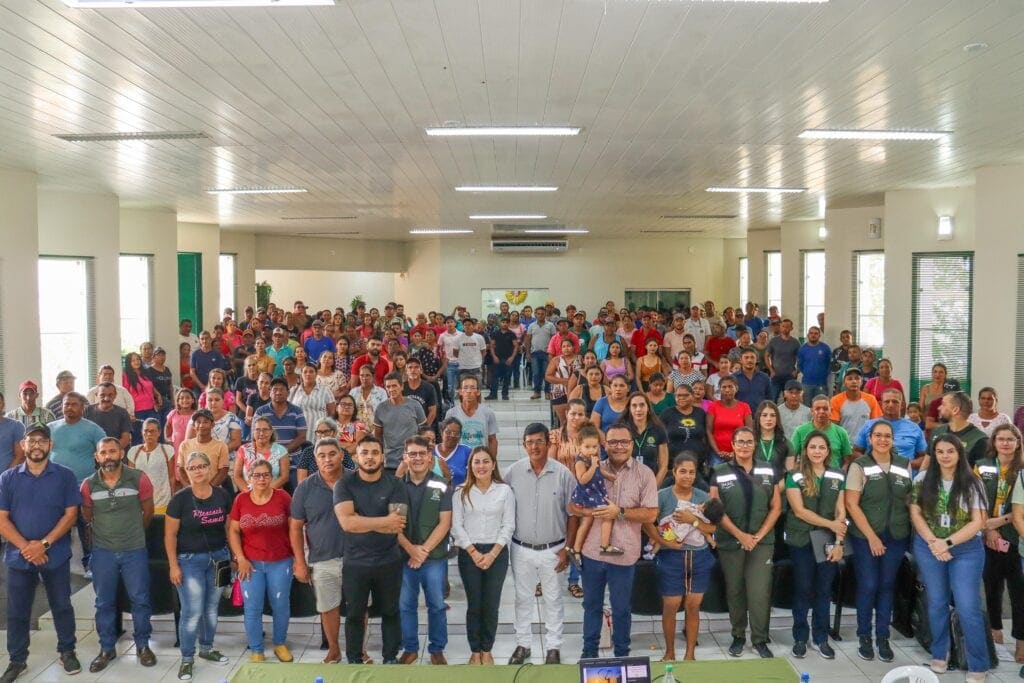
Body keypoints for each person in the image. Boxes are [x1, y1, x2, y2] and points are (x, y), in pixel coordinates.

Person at [0, 423, 83, 682]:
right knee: (17, 611)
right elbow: (2, 519)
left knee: (62, 605)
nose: (37, 445)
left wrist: (43, 545)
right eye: (32, 441)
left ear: (50, 445)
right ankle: (17, 660)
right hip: (19, 556)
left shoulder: (65, 476)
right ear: (23, 445)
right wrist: (28, 548)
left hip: (55, 554)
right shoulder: (7, 478)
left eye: (42, 441)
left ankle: (67, 651)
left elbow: (71, 515)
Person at [574, 423, 658, 659]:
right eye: (612, 442)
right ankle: (589, 654)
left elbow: (651, 514)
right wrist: (587, 511)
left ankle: (622, 654)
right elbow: (572, 505)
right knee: (591, 606)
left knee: (621, 609)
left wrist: (619, 512)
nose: (618, 446)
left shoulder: (645, 474)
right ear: (605, 445)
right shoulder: (592, 467)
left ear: (631, 444)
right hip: (592, 553)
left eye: (623, 442)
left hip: (624, 554)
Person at [909, 434, 988, 681]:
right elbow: (916, 513)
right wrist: (934, 542)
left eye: (950, 451)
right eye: (940, 451)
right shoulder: (922, 479)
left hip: (966, 549)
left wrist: (947, 543)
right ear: (934, 454)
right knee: (936, 602)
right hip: (929, 547)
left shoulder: (973, 482)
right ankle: (939, 653)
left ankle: (978, 663)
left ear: (959, 454)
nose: (945, 456)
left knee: (968, 606)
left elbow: (978, 522)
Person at [80, 437, 156, 672]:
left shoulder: (139, 478)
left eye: (113, 451)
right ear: (97, 457)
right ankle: (107, 648)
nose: (108, 456)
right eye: (103, 452)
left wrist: (132, 533)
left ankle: (143, 646)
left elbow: (148, 512)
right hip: (103, 552)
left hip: (134, 550)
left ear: (121, 453)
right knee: (104, 603)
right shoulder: (88, 485)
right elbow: (87, 516)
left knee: (140, 599)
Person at [505, 423, 575, 665]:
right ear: (523, 444)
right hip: (521, 548)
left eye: (539, 441)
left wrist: (568, 549)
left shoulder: (563, 474)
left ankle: (553, 647)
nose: (534, 446)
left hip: (554, 549)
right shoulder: (512, 473)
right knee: (522, 598)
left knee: (553, 599)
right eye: (530, 442)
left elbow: (573, 514)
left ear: (548, 442)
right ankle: (523, 644)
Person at [333, 437, 408, 665]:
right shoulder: (344, 485)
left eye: (375, 452)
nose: (370, 457)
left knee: (391, 612)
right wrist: (383, 521)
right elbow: (347, 523)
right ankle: (354, 660)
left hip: (389, 560)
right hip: (356, 562)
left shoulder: (395, 485)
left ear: (382, 457)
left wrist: (362, 520)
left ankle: (390, 659)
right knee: (355, 614)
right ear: (356, 457)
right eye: (364, 452)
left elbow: (396, 525)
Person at [709, 426, 781, 658]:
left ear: (755, 444)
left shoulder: (768, 469)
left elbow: (776, 507)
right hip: (731, 542)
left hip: (762, 542)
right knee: (735, 590)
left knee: (759, 592)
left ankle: (760, 639)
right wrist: (740, 535)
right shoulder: (719, 471)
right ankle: (738, 636)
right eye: (740, 442)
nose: (744, 446)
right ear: (732, 445)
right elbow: (715, 509)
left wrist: (758, 536)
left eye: (749, 442)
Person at [844, 419, 912, 662]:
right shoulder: (859, 465)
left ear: (893, 440)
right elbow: (851, 503)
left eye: (887, 436)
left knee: (887, 585)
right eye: (878, 435)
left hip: (896, 535)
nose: (883, 440)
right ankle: (864, 635)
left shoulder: (904, 464)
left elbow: (909, 499)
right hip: (865, 536)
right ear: (870, 439)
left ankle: (883, 637)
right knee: (869, 584)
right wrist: (872, 537)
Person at [643, 453, 719, 661]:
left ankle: (690, 654)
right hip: (671, 558)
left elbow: (712, 528)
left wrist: (692, 520)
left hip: (699, 558)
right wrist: (664, 542)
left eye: (692, 472)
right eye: (683, 471)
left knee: (693, 606)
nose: (687, 476)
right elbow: (647, 523)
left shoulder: (703, 497)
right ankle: (669, 652)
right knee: (671, 606)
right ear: (674, 472)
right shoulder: (662, 496)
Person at [165, 450, 233, 680]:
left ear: (209, 468)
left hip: (219, 558)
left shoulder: (222, 495)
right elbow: (170, 535)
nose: (198, 471)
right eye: (192, 468)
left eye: (201, 466)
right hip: (189, 561)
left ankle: (206, 648)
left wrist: (233, 557)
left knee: (211, 609)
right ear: (187, 472)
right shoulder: (179, 499)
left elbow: (228, 528)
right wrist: (173, 565)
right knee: (192, 612)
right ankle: (187, 659)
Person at [784, 431, 847, 660]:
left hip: (828, 541)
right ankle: (800, 637)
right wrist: (830, 524)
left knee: (824, 590)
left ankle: (821, 638)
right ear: (805, 450)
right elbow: (800, 511)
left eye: (822, 447)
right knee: (803, 589)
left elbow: (841, 510)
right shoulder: (794, 475)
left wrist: (839, 542)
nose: (817, 451)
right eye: (813, 447)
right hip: (801, 540)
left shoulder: (838, 474)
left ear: (828, 451)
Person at [229, 458, 294, 663]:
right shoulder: (241, 500)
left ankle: (280, 644)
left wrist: (299, 557)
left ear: (272, 476)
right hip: (250, 563)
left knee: (280, 605)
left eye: (266, 475)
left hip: (281, 561)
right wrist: (240, 558)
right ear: (249, 477)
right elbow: (233, 531)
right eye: (257, 475)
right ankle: (257, 649)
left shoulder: (283, 497)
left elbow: (294, 528)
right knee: (252, 607)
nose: (262, 479)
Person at [395, 436, 453, 665]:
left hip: (434, 558)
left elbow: (445, 523)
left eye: (422, 453)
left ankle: (437, 649)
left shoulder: (442, 484)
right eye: (412, 454)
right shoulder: (396, 486)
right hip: (404, 557)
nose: (417, 458)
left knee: (437, 605)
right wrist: (411, 550)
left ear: (430, 457)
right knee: (406, 605)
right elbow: (393, 524)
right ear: (405, 457)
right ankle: (410, 648)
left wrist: (423, 551)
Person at [290, 438, 348, 664]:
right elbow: (295, 527)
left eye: (332, 454)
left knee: (359, 607)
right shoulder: (305, 488)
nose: (327, 459)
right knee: (327, 607)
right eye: (322, 456)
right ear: (315, 459)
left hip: (357, 558)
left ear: (341, 455)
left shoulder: (356, 481)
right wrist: (299, 562)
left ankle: (359, 650)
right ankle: (334, 649)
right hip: (322, 558)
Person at [976, 424, 1024, 659]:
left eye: (1010, 439)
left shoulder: (1022, 469)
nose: (1005, 443)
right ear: (993, 442)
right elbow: (974, 499)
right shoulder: (982, 465)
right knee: (992, 586)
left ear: (1018, 443)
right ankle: (995, 631)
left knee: (1019, 592)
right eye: (1001, 439)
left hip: (1015, 536)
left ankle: (1021, 641)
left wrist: (999, 522)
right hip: (987, 536)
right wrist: (989, 529)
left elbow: (1020, 509)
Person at [48, 392, 107, 575]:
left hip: (83, 486)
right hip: (56, 487)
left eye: (74, 404)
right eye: (66, 404)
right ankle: (58, 564)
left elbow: (106, 453)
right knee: (58, 526)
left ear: (82, 407)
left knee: (85, 525)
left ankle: (90, 564)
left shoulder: (93, 429)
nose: (69, 407)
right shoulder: (50, 428)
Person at [569, 424, 623, 562]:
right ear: (579, 446)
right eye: (587, 447)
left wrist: (609, 476)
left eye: (594, 447)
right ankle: (604, 546)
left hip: (596, 490)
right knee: (606, 516)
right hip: (588, 494)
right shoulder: (580, 461)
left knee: (589, 521)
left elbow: (600, 470)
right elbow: (582, 479)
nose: (591, 450)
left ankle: (577, 549)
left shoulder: (593, 458)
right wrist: (592, 466)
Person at [853, 388, 929, 471]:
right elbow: (855, 451)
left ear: (902, 405)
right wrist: (870, 463)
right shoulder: (868, 425)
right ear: (881, 404)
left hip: (905, 475)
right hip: (873, 475)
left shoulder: (914, 428)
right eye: (887, 401)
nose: (890, 405)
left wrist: (906, 464)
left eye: (895, 402)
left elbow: (925, 457)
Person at [126, 418, 177, 513]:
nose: (149, 434)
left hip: (163, 501)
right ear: (142, 432)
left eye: (153, 431)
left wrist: (173, 497)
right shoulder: (133, 452)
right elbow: (132, 479)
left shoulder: (167, 450)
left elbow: (172, 477)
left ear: (159, 433)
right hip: (141, 503)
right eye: (146, 431)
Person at [618, 392, 669, 486]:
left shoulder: (658, 429)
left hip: (651, 481)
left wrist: (653, 487)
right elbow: (616, 461)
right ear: (629, 409)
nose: (638, 409)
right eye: (634, 406)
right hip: (626, 483)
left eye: (642, 405)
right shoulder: (621, 430)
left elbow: (664, 466)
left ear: (648, 408)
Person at [790, 395, 854, 470]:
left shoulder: (841, 432)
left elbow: (847, 461)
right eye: (817, 409)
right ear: (812, 411)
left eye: (825, 409)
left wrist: (841, 474)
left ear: (831, 411)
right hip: (807, 475)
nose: (821, 411)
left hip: (833, 475)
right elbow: (791, 458)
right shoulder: (800, 431)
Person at [444, 374, 498, 455]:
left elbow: (492, 440)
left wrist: (492, 460)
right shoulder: (451, 413)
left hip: (480, 459)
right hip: (460, 459)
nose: (469, 391)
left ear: (478, 392)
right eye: (465, 387)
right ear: (460, 391)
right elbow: (447, 440)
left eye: (472, 387)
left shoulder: (488, 413)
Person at [705, 376, 753, 467]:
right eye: (724, 387)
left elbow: (749, 432)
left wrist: (735, 452)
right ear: (720, 389)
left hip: (739, 453)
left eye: (730, 387)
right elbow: (709, 431)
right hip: (717, 455)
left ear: (736, 388)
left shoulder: (744, 407)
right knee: (717, 476)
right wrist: (718, 452)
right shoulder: (713, 406)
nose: (727, 390)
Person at [175, 409, 230, 488]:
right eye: (198, 422)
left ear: (212, 425)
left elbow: (223, 471)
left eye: (205, 422)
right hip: (190, 490)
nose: (201, 425)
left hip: (213, 490)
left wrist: (208, 489)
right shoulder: (185, 445)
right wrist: (191, 488)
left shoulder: (221, 446)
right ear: (193, 425)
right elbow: (180, 469)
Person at [932, 391, 989, 466]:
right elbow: (927, 462)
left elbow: (981, 470)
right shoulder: (938, 431)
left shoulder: (979, 440)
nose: (939, 408)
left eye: (943, 404)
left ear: (955, 410)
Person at [254, 377, 308, 456]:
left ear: (288, 393)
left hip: (293, 458)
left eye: (281, 389)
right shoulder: (260, 412)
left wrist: (282, 452)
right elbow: (255, 436)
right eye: (275, 389)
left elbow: (302, 437)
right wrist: (271, 455)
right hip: (267, 458)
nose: (278, 392)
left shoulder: (297, 411)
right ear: (270, 392)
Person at [234, 415, 291, 490]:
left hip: (273, 491)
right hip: (248, 492)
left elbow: (284, 477)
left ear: (271, 432)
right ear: (253, 432)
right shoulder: (243, 450)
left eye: (265, 430)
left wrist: (265, 492)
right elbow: (237, 476)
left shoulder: (281, 450)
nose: (261, 433)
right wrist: (249, 493)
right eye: (257, 430)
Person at [829, 368, 882, 438]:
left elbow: (877, 424)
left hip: (866, 443)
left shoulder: (871, 400)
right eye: (850, 379)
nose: (854, 381)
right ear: (844, 382)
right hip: (844, 443)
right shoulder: (835, 400)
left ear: (861, 382)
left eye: (857, 378)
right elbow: (833, 428)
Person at [290, 363, 336, 443]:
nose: (308, 374)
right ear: (301, 374)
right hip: (297, 433)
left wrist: (325, 430)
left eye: (311, 371)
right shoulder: (293, 391)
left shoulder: (325, 390)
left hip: (319, 433)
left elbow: (331, 413)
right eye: (305, 372)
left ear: (316, 374)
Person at [123, 352, 161, 444]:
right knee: (138, 438)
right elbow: (125, 395)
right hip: (137, 411)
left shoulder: (145, 372)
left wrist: (157, 395)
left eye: (138, 359)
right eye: (133, 360)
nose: (136, 362)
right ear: (128, 363)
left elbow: (150, 387)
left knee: (154, 435)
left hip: (151, 409)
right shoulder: (125, 375)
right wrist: (128, 413)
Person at [84, 382, 132, 450]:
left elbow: (125, 439)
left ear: (115, 395)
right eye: (102, 395)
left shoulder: (123, 413)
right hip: (91, 451)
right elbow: (82, 435)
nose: (106, 398)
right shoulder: (87, 411)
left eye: (110, 395)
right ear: (96, 395)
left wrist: (109, 451)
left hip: (115, 451)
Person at [546, 339, 582, 427]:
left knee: (576, 420)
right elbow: (548, 376)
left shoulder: (580, 359)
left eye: (568, 346)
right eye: (564, 346)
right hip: (559, 393)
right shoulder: (556, 360)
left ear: (573, 347)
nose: (566, 348)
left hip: (577, 392)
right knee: (564, 421)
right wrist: (565, 381)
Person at [753, 400, 792, 479]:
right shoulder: (750, 441)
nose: (769, 419)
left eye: (773, 415)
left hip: (779, 484)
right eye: (764, 415)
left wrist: (779, 485)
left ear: (777, 418)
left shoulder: (786, 443)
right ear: (758, 417)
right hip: (754, 484)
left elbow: (789, 474)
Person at [765, 318, 801, 400]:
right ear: (780, 327)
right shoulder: (774, 341)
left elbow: (801, 358)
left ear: (791, 328)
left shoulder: (795, 342)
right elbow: (766, 355)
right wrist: (771, 370)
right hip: (776, 376)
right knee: (772, 399)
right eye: (783, 326)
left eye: (787, 326)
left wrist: (797, 371)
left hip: (790, 376)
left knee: (790, 400)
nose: (785, 328)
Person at [796, 327, 832, 405]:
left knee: (821, 405)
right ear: (808, 335)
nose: (813, 335)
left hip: (821, 383)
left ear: (819, 336)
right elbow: (800, 365)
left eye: (816, 333)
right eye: (811, 333)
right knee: (806, 406)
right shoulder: (802, 349)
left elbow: (829, 364)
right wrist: (808, 373)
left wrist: (822, 374)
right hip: (806, 383)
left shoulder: (825, 348)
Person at [525, 308, 556, 400]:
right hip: (534, 353)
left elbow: (554, 340)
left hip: (547, 353)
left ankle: (547, 392)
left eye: (542, 314)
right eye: (538, 313)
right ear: (535, 314)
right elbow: (528, 340)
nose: (540, 315)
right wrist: (527, 353)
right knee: (536, 373)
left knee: (547, 373)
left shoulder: (550, 325)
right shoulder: (531, 326)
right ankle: (537, 392)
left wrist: (553, 353)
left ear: (545, 314)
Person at [435, 416, 471, 487]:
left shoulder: (467, 451)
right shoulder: (431, 451)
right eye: (448, 432)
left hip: (460, 493)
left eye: (456, 433)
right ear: (442, 432)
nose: (452, 436)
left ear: (460, 435)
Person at [166, 387, 197, 459]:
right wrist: (168, 439)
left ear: (193, 400)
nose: (185, 400)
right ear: (178, 401)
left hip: (192, 445)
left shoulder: (196, 414)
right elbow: (167, 427)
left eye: (188, 398)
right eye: (182, 398)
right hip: (176, 444)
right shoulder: (173, 413)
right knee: (178, 462)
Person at [0, 392, 25, 470]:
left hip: (7, 475)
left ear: (3, 405)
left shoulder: (15, 426)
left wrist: (7, 475)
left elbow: (19, 456)